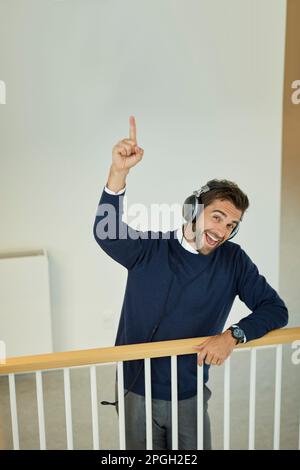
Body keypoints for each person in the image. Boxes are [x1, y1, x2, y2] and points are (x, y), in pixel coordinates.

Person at [93, 116, 288, 450]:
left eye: (231, 225)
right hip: (136, 388)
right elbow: (105, 233)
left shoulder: (233, 260)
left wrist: (233, 336)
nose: (222, 231)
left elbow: (275, 309)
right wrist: (118, 174)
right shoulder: (150, 249)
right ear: (193, 210)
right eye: (217, 217)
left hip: (189, 391)